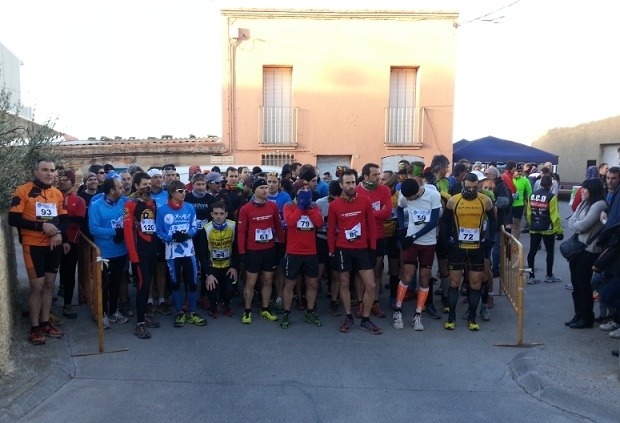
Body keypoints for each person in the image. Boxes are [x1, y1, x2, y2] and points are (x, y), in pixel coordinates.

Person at [9, 159, 68, 344]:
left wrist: (59, 233)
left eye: (52, 170)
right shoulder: (23, 191)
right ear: (35, 172)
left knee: (49, 285)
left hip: (53, 245)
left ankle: (45, 323)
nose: (49, 173)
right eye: (44, 170)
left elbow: (65, 219)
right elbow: (13, 219)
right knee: (37, 286)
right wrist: (41, 226)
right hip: (33, 245)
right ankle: (34, 328)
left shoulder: (57, 193)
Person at [328, 169, 381, 334]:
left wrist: (373, 248)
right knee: (344, 283)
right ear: (341, 185)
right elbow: (331, 230)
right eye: (348, 183)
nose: (351, 186)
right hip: (342, 248)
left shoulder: (365, 201)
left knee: (371, 285)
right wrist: (331, 251)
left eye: (353, 182)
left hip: (362, 248)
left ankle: (366, 319)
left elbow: (372, 226)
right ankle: (348, 316)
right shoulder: (334, 205)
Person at [441, 172, 495, 331]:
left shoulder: (485, 200)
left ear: (478, 186)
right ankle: (451, 318)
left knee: (475, 283)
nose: (471, 190)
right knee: (454, 283)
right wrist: (446, 240)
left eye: (474, 187)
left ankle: (472, 318)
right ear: (463, 185)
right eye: (468, 187)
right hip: (458, 248)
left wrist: (489, 239)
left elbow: (493, 221)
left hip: (476, 248)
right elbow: (445, 221)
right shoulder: (454, 200)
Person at [393, 178, 441, 330]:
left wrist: (413, 236)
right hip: (411, 242)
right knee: (407, 276)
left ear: (418, 192)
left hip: (428, 243)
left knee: (424, 278)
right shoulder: (405, 196)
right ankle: (398, 310)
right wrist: (402, 228)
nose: (408, 200)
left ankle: (418, 314)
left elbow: (433, 222)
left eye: (410, 198)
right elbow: (399, 209)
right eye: (406, 198)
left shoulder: (433, 195)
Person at [156, 180, 205, 327]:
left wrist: (188, 234)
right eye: (180, 191)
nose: (184, 193)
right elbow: (158, 231)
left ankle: (192, 312)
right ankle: (180, 312)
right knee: (175, 283)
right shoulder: (162, 210)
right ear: (172, 193)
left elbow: (195, 226)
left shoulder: (189, 207)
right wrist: (171, 237)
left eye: (185, 191)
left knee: (192, 282)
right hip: (172, 253)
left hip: (188, 251)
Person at [237, 178, 285, 324]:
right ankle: (247, 310)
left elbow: (278, 226)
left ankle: (265, 309)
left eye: (266, 187)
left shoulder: (273, 206)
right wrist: (241, 252)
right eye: (262, 188)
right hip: (253, 250)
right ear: (254, 190)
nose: (265, 190)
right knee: (251, 281)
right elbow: (241, 232)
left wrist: (282, 244)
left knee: (268, 280)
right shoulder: (246, 209)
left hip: (269, 249)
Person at [280, 180, 325, 328]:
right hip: (293, 251)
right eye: (302, 189)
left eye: (307, 188)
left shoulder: (315, 206)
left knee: (312, 283)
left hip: (310, 251)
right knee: (289, 284)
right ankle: (286, 312)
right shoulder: (288, 206)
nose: (306, 190)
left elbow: (319, 223)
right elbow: (290, 222)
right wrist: (300, 207)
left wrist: (309, 208)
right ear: (296, 191)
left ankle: (310, 311)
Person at [123, 171, 161, 338]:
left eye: (149, 184)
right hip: (139, 252)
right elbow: (127, 232)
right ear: (136, 185)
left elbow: (153, 226)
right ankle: (139, 323)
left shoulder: (152, 202)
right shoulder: (130, 204)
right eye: (144, 184)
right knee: (142, 285)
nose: (147, 187)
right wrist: (133, 255)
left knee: (148, 283)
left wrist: (156, 248)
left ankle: (145, 315)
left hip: (151, 249)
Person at [88, 176, 130, 328]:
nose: (123, 189)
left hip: (121, 251)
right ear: (112, 190)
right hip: (104, 253)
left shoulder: (123, 202)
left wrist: (123, 232)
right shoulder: (96, 206)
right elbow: (94, 229)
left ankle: (113, 311)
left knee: (116, 283)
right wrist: (114, 232)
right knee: (103, 285)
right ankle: (102, 313)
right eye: (120, 187)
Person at [565, 177, 606, 329]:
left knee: (583, 284)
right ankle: (578, 314)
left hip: (589, 250)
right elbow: (572, 221)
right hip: (578, 248)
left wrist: (576, 225)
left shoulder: (599, 205)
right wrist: (577, 225)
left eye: (585, 188)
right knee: (576, 283)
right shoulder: (584, 203)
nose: (582, 191)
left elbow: (582, 225)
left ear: (592, 190)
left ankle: (586, 317)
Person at [355, 163, 392, 318]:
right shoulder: (356, 190)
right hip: (361, 236)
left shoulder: (384, 190)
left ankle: (374, 302)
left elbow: (387, 211)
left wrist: (368, 214)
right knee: (360, 273)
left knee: (376, 270)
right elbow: (355, 213)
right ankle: (360, 303)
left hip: (378, 236)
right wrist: (375, 213)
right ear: (366, 176)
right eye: (375, 175)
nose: (378, 177)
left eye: (379, 174)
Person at [56, 170, 86, 319]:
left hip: (72, 241)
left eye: (65, 178)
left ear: (72, 182)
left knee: (69, 272)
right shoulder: (53, 196)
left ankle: (68, 304)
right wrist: (68, 218)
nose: (62, 181)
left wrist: (64, 218)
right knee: (49, 272)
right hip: (53, 239)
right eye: (60, 178)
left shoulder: (79, 200)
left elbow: (80, 220)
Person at [526, 175, 564, 284]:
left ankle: (531, 276)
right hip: (547, 229)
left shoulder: (532, 195)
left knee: (532, 252)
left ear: (540, 183)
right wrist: (559, 231)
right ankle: (549, 275)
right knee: (550, 252)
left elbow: (529, 213)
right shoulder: (551, 197)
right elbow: (554, 216)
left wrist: (531, 223)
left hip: (534, 227)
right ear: (551, 185)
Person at [204, 202, 238, 318]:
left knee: (230, 288)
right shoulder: (206, 229)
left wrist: (234, 267)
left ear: (226, 214)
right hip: (212, 266)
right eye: (216, 213)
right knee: (211, 288)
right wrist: (208, 273)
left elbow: (237, 248)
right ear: (211, 214)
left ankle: (226, 304)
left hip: (228, 266)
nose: (219, 216)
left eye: (221, 213)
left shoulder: (233, 226)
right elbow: (202, 253)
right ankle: (213, 305)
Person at [484, 166, 512, 277]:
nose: (485, 176)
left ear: (493, 175)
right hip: (486, 221)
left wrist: (490, 204)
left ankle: (495, 269)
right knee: (487, 245)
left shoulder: (501, 186)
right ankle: (487, 267)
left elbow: (505, 201)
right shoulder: (488, 183)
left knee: (496, 246)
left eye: (487, 174)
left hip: (496, 220)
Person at [512, 164, 532, 240]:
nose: (520, 173)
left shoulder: (525, 180)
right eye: (518, 171)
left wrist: (529, 201)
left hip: (519, 204)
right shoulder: (510, 179)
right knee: (508, 224)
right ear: (514, 171)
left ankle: (516, 241)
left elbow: (529, 191)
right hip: (510, 204)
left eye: (521, 171)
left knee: (517, 223)